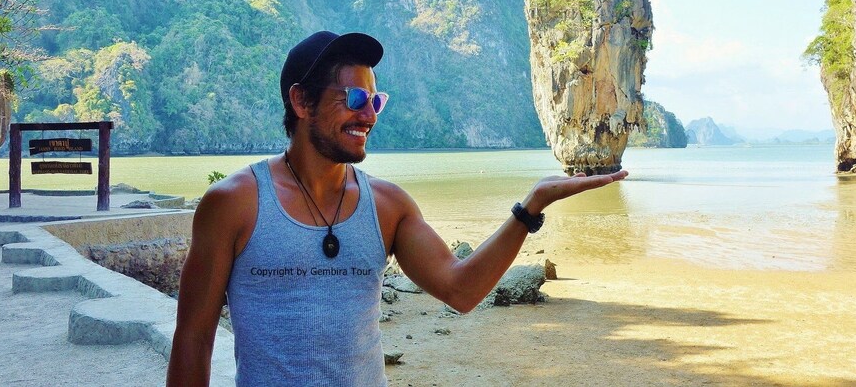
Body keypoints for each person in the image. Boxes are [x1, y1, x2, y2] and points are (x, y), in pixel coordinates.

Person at [167, 30, 627, 386]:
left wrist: (531, 207)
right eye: (352, 99)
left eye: (375, 101)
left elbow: (461, 291)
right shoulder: (235, 203)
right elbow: (193, 338)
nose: (368, 115)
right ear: (301, 101)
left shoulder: (388, 206)